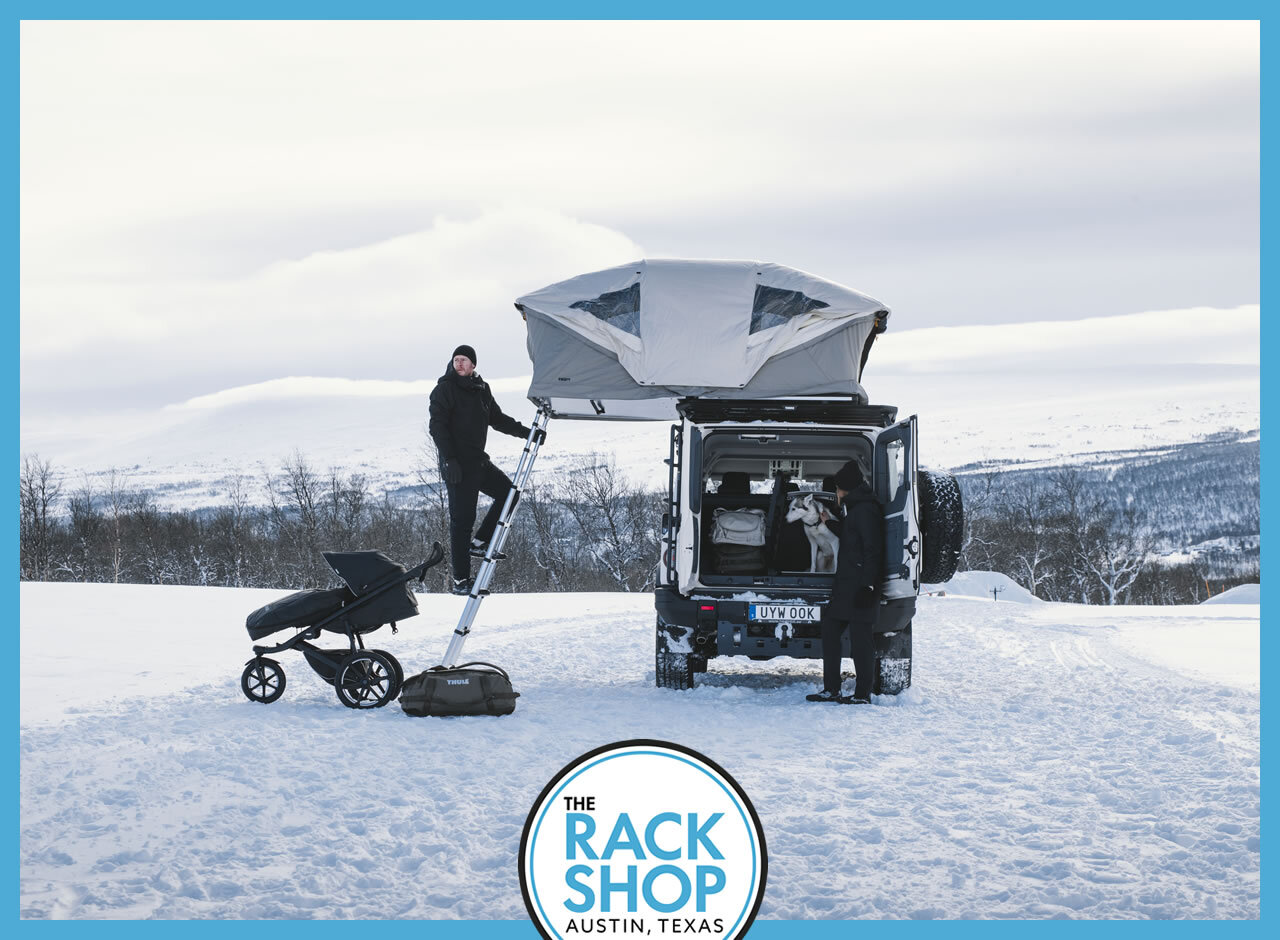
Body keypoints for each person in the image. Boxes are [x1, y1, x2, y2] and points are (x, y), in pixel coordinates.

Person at [429, 344, 546, 595]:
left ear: (473, 365)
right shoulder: (444, 390)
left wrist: (528, 433)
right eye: (456, 360)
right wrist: (448, 459)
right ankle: (461, 581)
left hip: (478, 461)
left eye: (464, 360)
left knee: (509, 494)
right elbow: (437, 427)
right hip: (457, 465)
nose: (459, 363)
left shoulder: (482, 390)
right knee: (462, 522)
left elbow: (497, 419)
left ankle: (480, 542)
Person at [807, 459, 883, 704]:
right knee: (830, 630)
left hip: (861, 586)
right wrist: (830, 522)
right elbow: (851, 538)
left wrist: (868, 585)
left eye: (838, 488)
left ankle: (862, 694)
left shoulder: (866, 510)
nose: (836, 492)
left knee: (862, 641)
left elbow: (873, 550)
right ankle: (832, 689)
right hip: (847, 584)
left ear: (845, 488)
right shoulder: (855, 508)